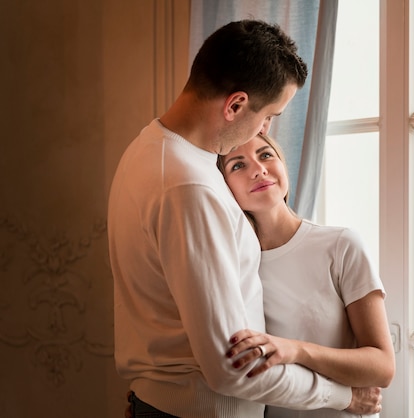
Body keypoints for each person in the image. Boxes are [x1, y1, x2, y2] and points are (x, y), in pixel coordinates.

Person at [108, 19, 381, 418]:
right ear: (235, 104)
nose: (267, 130)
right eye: (269, 115)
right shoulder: (190, 187)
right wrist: (345, 397)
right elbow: (231, 368)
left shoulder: (146, 149)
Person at [217, 133, 396, 417]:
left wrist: (296, 350)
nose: (259, 169)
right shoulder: (231, 266)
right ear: (222, 188)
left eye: (265, 155)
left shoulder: (341, 245)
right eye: (237, 165)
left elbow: (383, 368)